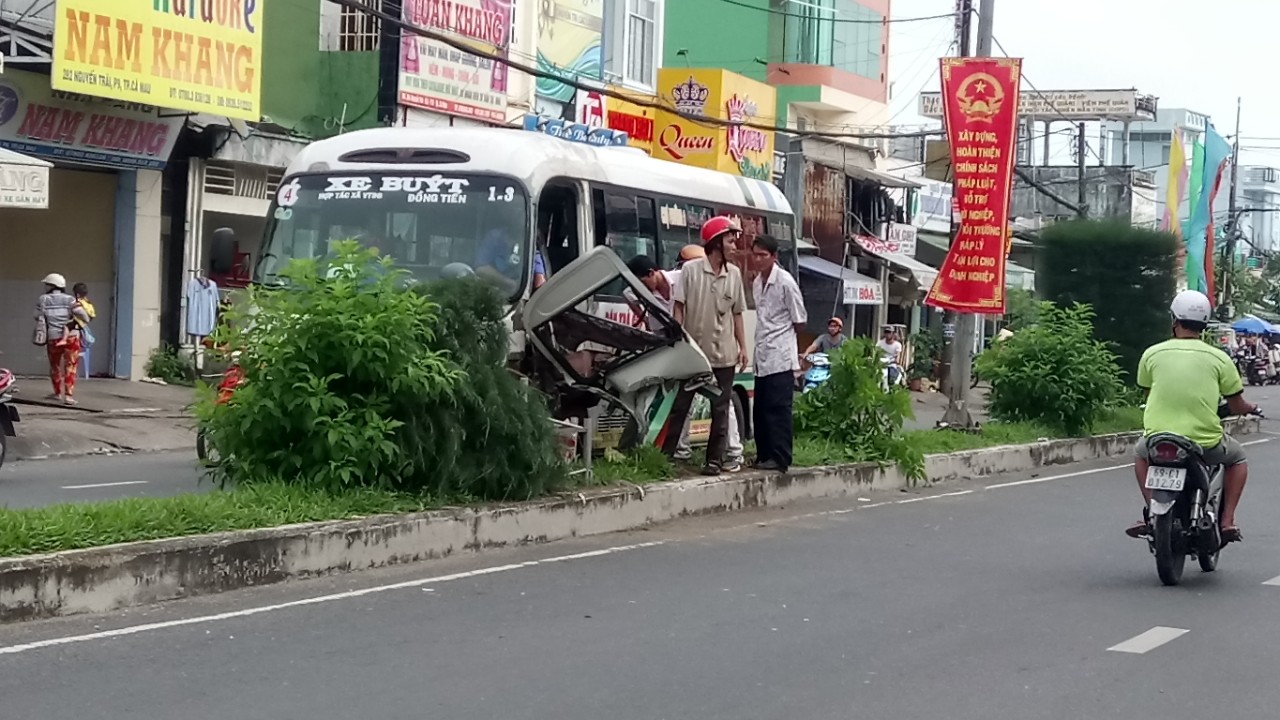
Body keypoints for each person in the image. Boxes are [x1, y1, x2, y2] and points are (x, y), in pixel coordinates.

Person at [1128, 290, 1258, 542]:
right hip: (1204, 443)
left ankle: (1153, 513)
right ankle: (1227, 520)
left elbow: (1147, 391)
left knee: (1140, 454)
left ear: (1174, 320)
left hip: (1158, 439)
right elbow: (1237, 404)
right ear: (1204, 324)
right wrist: (1251, 407)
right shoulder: (1220, 358)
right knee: (1238, 458)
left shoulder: (1152, 353)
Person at [626, 253, 744, 469]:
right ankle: (680, 451)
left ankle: (733, 452)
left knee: (720, 401)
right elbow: (633, 300)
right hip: (678, 348)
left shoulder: (684, 277)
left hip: (706, 346)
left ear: (652, 273)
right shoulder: (637, 293)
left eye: (643, 283)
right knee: (681, 401)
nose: (641, 290)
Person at [663, 216, 748, 476]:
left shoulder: (734, 274)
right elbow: (679, 306)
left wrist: (743, 347)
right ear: (715, 243)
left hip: (724, 355)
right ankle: (664, 457)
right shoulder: (690, 271)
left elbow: (737, 314)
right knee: (681, 406)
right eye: (730, 241)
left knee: (720, 410)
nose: (734, 246)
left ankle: (714, 460)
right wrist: (677, 338)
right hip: (694, 353)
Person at [750, 235, 806, 472]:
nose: (759, 259)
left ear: (774, 257)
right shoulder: (756, 282)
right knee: (760, 409)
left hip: (780, 355)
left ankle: (781, 457)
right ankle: (764, 455)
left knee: (778, 409)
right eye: (756, 255)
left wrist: (789, 344)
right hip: (762, 354)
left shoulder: (785, 282)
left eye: (764, 255)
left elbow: (800, 319)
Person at [34, 273, 89, 405]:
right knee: (71, 366)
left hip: (53, 338)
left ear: (52, 285)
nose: (45, 286)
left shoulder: (43, 299)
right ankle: (69, 396)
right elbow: (83, 315)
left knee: (55, 366)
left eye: (47, 284)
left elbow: (36, 315)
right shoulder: (70, 299)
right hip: (71, 337)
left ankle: (57, 393)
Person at [72, 283, 97, 379]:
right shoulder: (89, 303)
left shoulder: (77, 303)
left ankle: (72, 372)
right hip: (84, 330)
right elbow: (92, 316)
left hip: (76, 329)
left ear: (77, 294)